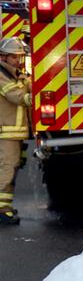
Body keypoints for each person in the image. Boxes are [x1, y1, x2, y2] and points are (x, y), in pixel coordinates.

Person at [0, 37, 32, 225]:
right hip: (6, 133)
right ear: (3, 57)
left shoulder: (14, 73)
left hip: (14, 133)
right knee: (7, 168)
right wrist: (34, 98)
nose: (18, 61)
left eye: (20, 57)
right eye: (14, 57)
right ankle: (2, 210)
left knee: (12, 168)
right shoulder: (2, 76)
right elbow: (15, 95)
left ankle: (6, 207)